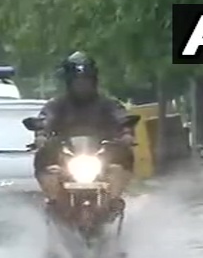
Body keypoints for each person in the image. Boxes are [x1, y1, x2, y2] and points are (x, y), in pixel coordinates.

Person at [30, 52, 134, 218]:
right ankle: (54, 201)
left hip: (101, 156)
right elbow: (45, 119)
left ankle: (113, 200)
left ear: (94, 81)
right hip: (65, 158)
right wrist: (41, 135)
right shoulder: (56, 106)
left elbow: (121, 118)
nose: (82, 85)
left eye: (86, 81)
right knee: (48, 167)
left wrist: (126, 134)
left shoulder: (108, 104)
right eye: (78, 81)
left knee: (119, 165)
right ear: (69, 82)